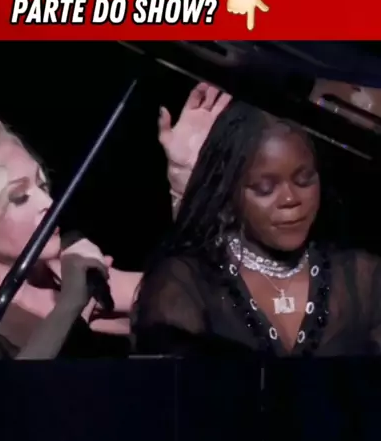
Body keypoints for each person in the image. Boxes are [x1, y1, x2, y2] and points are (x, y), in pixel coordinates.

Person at [0, 83, 231, 360]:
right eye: (20, 196)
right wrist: (69, 306)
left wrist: (187, 182)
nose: (49, 204)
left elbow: (203, 295)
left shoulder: (65, 268)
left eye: (42, 186)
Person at [132, 98, 381, 357]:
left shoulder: (364, 277)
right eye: (265, 188)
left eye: (304, 180)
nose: (290, 199)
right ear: (229, 192)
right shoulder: (185, 282)